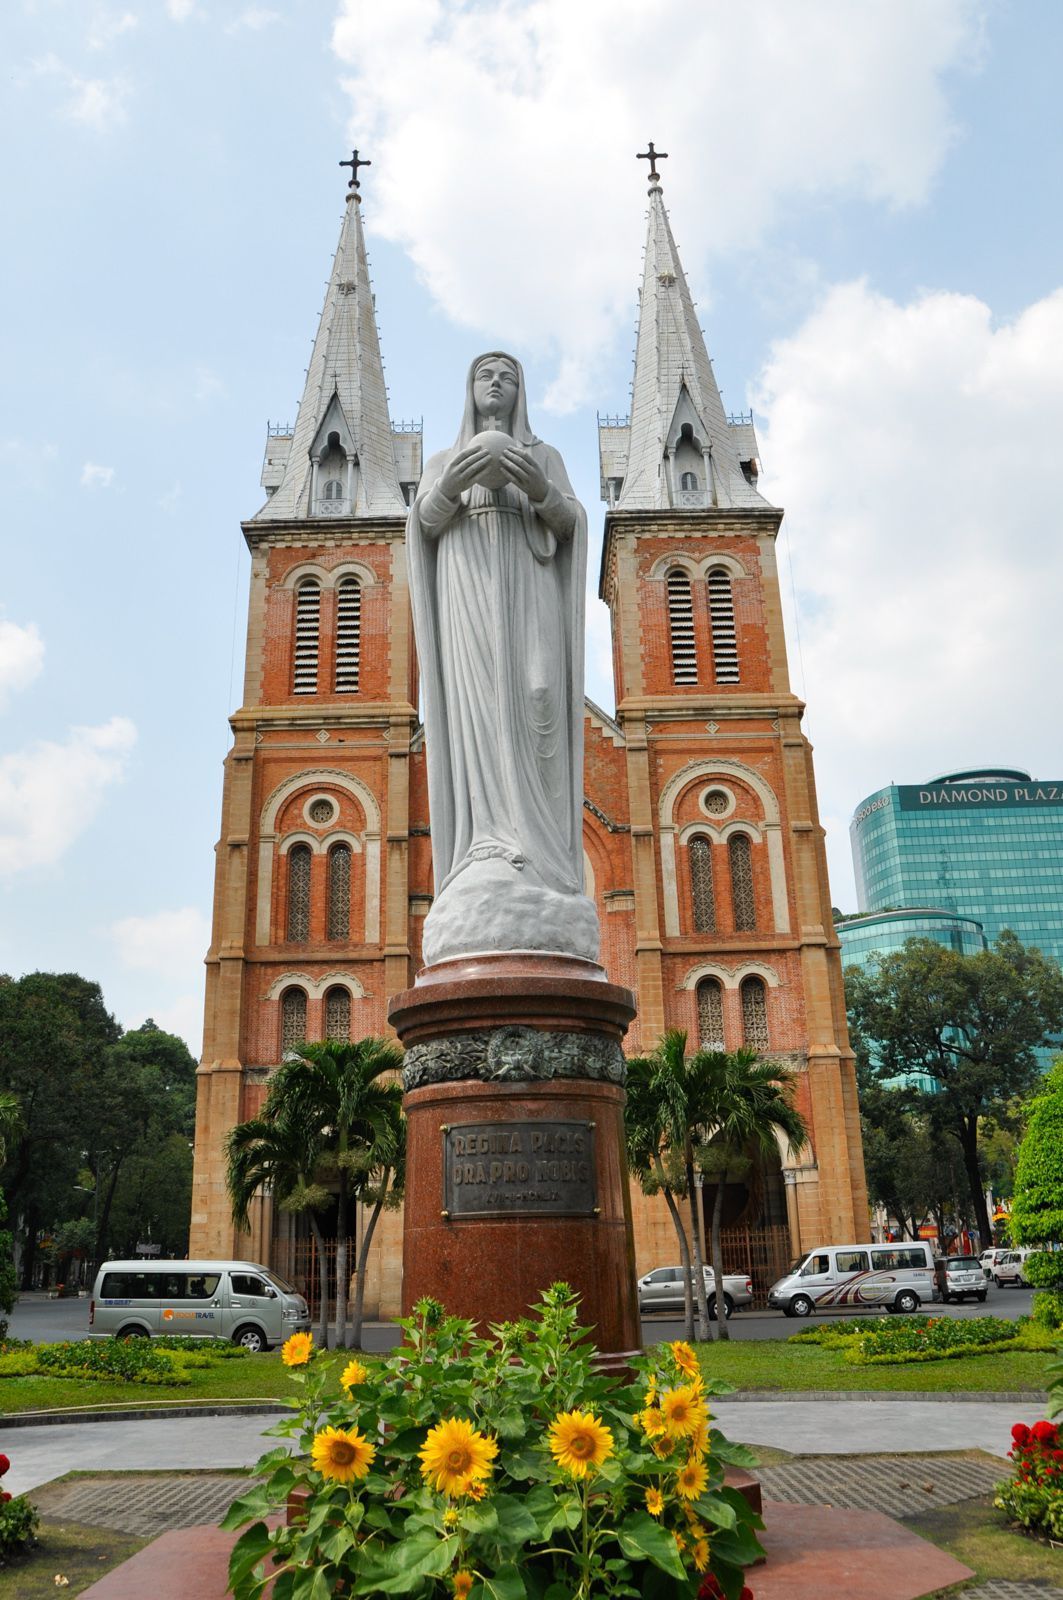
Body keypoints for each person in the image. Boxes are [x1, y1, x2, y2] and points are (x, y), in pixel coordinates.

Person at [406, 352, 598, 966]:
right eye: (485, 375)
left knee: (541, 697)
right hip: (468, 601)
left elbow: (571, 524)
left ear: (522, 392)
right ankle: (486, 846)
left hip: (530, 596)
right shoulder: (443, 462)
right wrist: (450, 487)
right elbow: (422, 528)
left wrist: (541, 490)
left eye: (508, 376)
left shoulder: (545, 459)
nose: (496, 383)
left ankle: (543, 858)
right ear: (468, 389)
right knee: (478, 717)